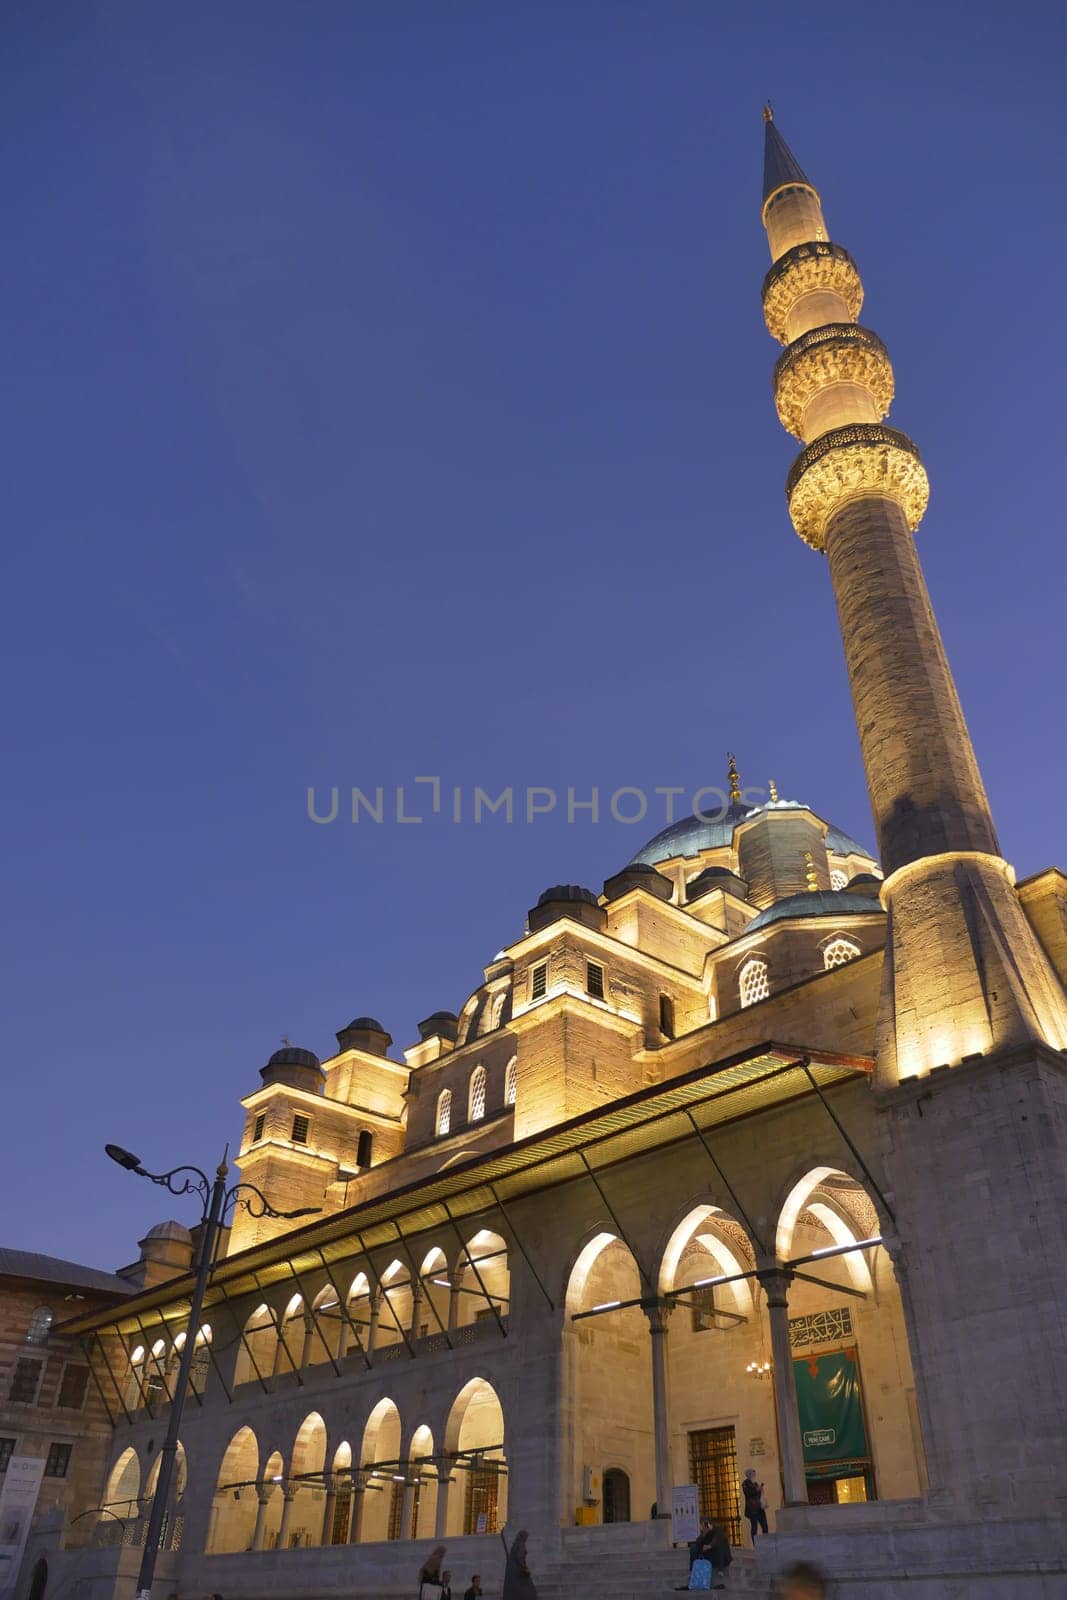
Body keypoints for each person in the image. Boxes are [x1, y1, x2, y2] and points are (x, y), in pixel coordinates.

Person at [501, 1528, 537, 1600]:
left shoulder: (516, 1544)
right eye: (526, 1536)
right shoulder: (521, 1545)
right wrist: (524, 1567)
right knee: (526, 1587)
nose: (526, 1538)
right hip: (519, 1570)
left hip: (513, 1569)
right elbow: (519, 1557)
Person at [742, 1467, 769, 1542]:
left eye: (754, 1473)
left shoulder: (755, 1483)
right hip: (752, 1509)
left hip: (759, 1509)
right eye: (753, 1473)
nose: (754, 1475)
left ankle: (766, 1543)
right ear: (749, 1474)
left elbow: (758, 1494)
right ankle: (756, 1545)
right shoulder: (745, 1483)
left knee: (765, 1526)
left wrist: (760, 1490)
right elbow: (748, 1494)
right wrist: (756, 1490)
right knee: (754, 1527)